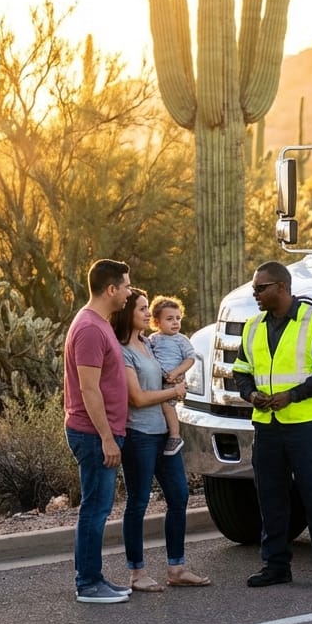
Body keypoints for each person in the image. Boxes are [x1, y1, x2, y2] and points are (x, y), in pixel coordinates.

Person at [231, 261, 312, 589]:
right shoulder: (253, 326)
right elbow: (240, 370)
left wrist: (293, 395)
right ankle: (276, 565)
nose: (255, 293)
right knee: (270, 496)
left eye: (261, 288)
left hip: (307, 424)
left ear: (282, 287)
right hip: (267, 424)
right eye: (254, 288)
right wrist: (250, 393)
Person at [111, 288, 211, 592]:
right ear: (128, 313)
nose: (145, 313)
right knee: (138, 503)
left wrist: (177, 378)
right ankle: (136, 573)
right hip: (139, 434)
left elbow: (175, 367)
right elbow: (138, 398)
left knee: (179, 497)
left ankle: (176, 568)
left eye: (146, 309)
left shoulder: (149, 344)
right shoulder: (122, 350)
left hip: (165, 433)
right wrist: (175, 392)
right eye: (141, 309)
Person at [63, 259, 135, 604]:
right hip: (93, 434)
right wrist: (107, 438)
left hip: (101, 432)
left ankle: (92, 578)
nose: (129, 292)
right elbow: (89, 389)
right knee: (95, 509)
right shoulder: (90, 328)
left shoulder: (99, 323)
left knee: (97, 507)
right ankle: (89, 584)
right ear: (111, 289)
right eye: (126, 286)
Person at [147, 295, 194, 456]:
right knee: (159, 404)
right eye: (169, 319)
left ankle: (175, 436)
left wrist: (177, 372)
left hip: (174, 381)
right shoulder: (153, 339)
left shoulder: (181, 340)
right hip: (158, 380)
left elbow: (190, 359)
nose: (175, 322)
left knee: (167, 405)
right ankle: (167, 431)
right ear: (157, 322)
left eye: (178, 318)